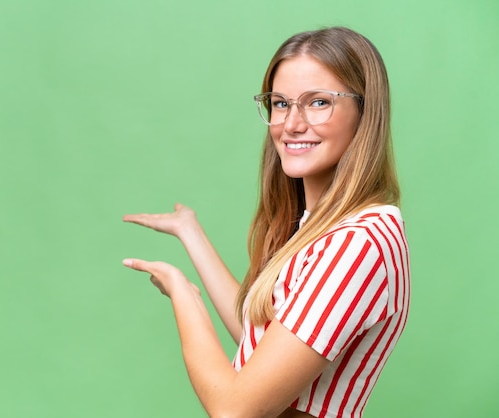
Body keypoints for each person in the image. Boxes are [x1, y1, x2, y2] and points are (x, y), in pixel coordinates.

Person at [122, 26, 410, 418]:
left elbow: (234, 410)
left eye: (319, 102)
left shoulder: (360, 241)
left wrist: (183, 294)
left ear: (365, 111)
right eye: (280, 103)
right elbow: (264, 349)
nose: (291, 124)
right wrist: (191, 233)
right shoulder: (326, 228)